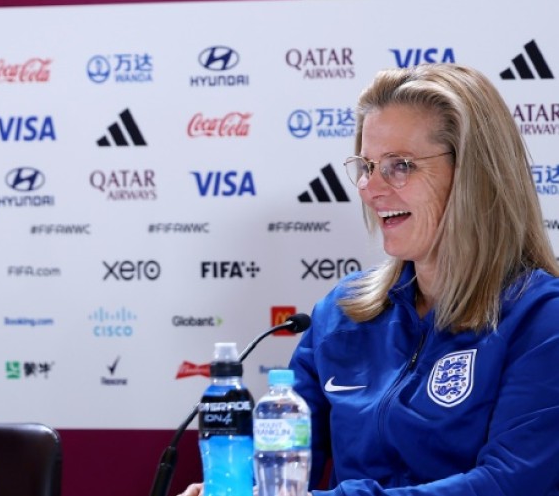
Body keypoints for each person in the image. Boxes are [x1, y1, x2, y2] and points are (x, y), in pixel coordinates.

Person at [181, 63, 559, 496]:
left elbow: (510, 484)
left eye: (400, 165)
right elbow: (281, 455)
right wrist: (234, 489)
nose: (369, 187)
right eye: (366, 165)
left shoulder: (542, 320)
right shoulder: (342, 313)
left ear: (475, 176)